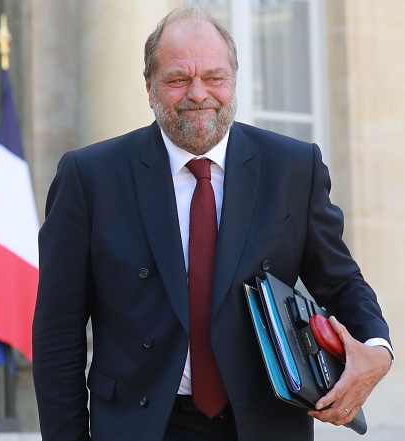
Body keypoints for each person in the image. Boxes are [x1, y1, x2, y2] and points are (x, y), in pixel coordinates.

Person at [32, 5, 393, 441]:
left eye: (214, 77)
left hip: (262, 423)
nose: (198, 94)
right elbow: (57, 334)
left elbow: (341, 283)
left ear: (234, 80)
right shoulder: (89, 177)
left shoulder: (294, 167)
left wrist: (377, 349)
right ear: (149, 87)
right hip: (139, 424)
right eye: (178, 79)